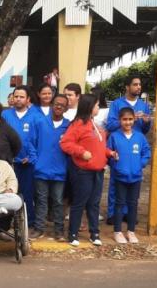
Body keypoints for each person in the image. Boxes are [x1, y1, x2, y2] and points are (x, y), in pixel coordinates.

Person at [60, 94, 117, 247]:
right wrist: (81, 152)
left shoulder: (95, 125)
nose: (99, 108)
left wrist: (108, 153)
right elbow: (66, 143)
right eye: (97, 105)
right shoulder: (78, 124)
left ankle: (94, 233)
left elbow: (98, 147)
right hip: (82, 171)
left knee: (94, 203)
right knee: (79, 202)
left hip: (98, 170)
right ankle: (73, 233)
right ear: (89, 107)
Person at [105, 75, 151, 224]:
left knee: (133, 184)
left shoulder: (144, 105)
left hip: (135, 148)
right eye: (135, 84)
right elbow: (110, 125)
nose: (138, 87)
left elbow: (145, 130)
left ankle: (128, 214)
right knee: (115, 183)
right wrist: (129, 119)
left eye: (139, 85)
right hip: (119, 145)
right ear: (127, 87)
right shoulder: (117, 104)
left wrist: (145, 121)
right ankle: (113, 213)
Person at [108, 107, 150, 244]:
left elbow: (146, 153)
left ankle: (131, 231)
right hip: (120, 177)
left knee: (133, 204)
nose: (127, 122)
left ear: (134, 120)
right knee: (119, 204)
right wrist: (116, 166)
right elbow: (109, 154)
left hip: (135, 177)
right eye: (124, 119)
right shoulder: (114, 136)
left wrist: (140, 165)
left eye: (130, 119)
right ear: (120, 120)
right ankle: (118, 231)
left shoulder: (140, 137)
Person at [1, 85, 42, 229]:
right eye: (16, 96)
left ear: (28, 99)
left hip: (27, 163)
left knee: (27, 194)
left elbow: (39, 140)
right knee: (8, 193)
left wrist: (31, 157)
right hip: (8, 163)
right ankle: (6, 223)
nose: (18, 99)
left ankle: (28, 222)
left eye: (21, 97)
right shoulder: (5, 115)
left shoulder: (36, 117)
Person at [31, 93, 70, 240]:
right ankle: (39, 228)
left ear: (66, 108)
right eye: (56, 103)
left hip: (60, 171)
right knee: (41, 200)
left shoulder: (68, 126)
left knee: (58, 201)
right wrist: (36, 161)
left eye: (62, 105)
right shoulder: (40, 122)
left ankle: (59, 231)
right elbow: (31, 143)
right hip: (41, 170)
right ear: (52, 105)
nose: (59, 106)